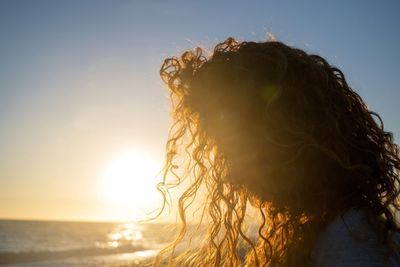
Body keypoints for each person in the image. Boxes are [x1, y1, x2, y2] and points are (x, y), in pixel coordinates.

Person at [154, 37, 400, 266]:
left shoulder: (352, 246)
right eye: (224, 153)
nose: (232, 175)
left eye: (238, 147)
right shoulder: (336, 230)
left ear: (294, 134)